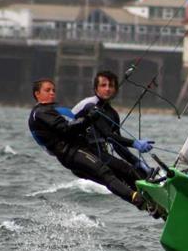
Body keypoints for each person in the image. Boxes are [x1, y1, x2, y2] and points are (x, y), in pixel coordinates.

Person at [28, 78, 149, 211]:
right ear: (37, 94)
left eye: (53, 90)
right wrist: (89, 118)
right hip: (72, 153)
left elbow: (80, 126)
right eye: (47, 90)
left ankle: (150, 202)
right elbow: (66, 128)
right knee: (105, 173)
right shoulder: (40, 112)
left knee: (122, 171)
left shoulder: (53, 109)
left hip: (81, 150)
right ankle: (137, 199)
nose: (52, 93)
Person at [72, 70, 155, 182]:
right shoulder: (91, 105)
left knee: (139, 172)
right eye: (103, 85)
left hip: (98, 154)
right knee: (126, 170)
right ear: (96, 89)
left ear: (116, 90)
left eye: (111, 85)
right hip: (81, 154)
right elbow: (108, 135)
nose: (107, 89)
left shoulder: (112, 114)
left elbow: (117, 145)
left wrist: (137, 162)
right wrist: (135, 143)